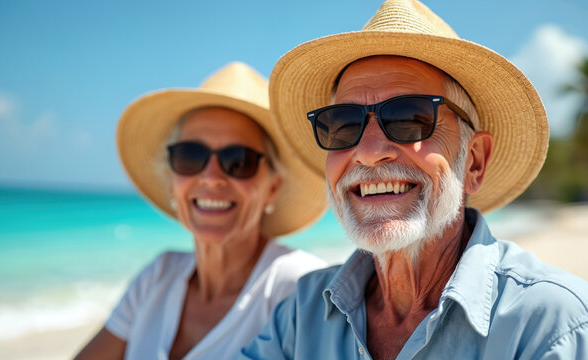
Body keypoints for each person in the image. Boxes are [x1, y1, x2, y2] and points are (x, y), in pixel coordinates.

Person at [241, 0, 588, 359]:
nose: (369, 152)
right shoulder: (301, 315)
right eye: (343, 124)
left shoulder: (552, 327)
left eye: (409, 117)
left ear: (474, 162)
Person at [74, 62, 327, 360]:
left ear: (272, 187)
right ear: (172, 182)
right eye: (190, 156)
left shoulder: (302, 289)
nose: (210, 177)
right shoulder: (158, 277)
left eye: (238, 160)